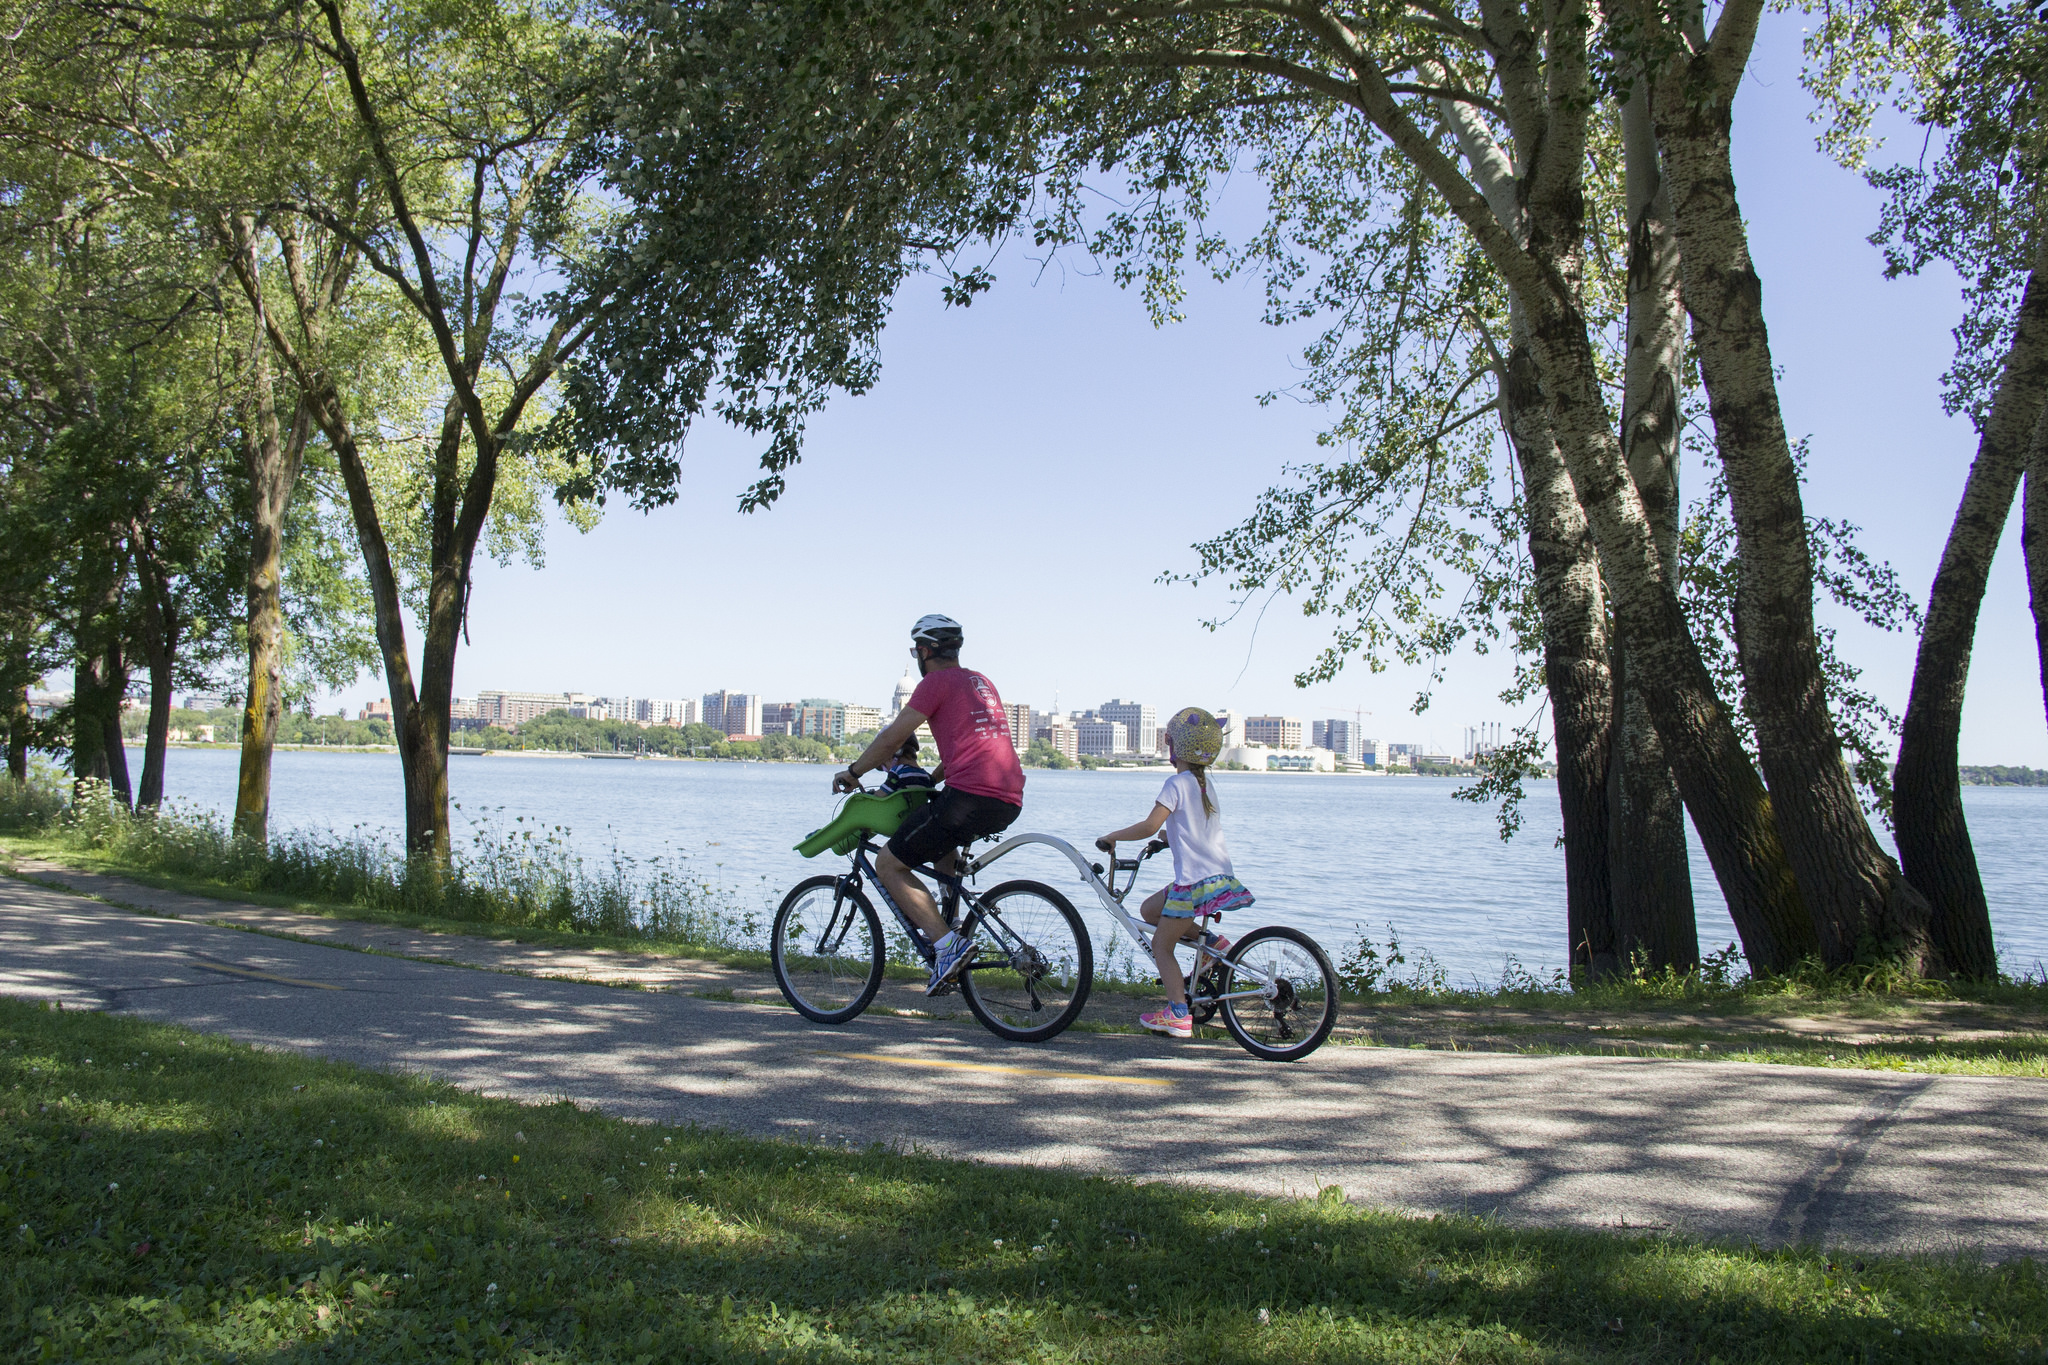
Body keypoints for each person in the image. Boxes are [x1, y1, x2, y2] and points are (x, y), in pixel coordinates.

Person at [834, 615, 1025, 993]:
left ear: (923, 652)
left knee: (889, 863)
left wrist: (854, 772)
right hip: (1008, 796)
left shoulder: (935, 683)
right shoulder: (981, 682)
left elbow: (892, 739)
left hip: (971, 795)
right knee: (942, 839)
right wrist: (931, 781)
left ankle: (947, 945)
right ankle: (950, 920)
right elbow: (976, 747)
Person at [1096, 706, 1251, 1038]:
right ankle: (1214, 945)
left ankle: (1178, 1013)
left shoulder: (1175, 783)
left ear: (1174, 746)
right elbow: (1193, 829)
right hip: (1215, 878)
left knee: (1161, 946)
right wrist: (1169, 840)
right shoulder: (1204, 785)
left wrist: (1112, 837)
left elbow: (1150, 825)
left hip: (1192, 884)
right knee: (1149, 910)